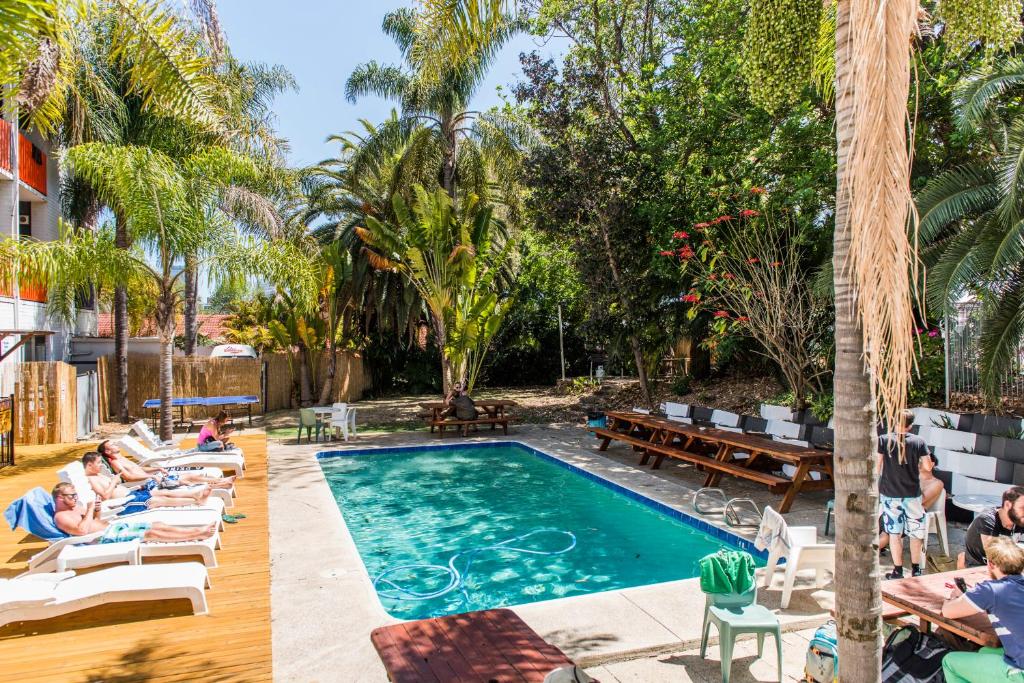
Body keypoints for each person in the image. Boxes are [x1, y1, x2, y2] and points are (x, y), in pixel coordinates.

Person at [941, 537, 1024, 682]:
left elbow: (948, 611)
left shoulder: (991, 591)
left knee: (949, 662)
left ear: (991, 564)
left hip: (1020, 672)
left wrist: (953, 598)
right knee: (985, 651)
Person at [52, 482, 217, 543]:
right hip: (104, 538)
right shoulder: (61, 517)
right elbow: (81, 531)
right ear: (59, 498)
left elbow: (94, 521)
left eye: (75, 495)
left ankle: (196, 530)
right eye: (71, 496)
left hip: (113, 527)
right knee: (151, 533)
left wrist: (96, 511)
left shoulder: (75, 508)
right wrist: (89, 511)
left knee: (157, 524)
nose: (75, 498)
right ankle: (197, 534)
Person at [878, 409, 930, 578]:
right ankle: (916, 569)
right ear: (911, 425)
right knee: (915, 532)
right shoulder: (919, 441)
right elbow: (928, 467)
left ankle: (897, 570)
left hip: (890, 492)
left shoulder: (884, 440)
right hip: (912, 494)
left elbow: (878, 466)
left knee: (894, 533)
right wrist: (917, 466)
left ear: (894, 422)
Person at [82, 452, 214, 511]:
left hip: (131, 494)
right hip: (125, 503)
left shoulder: (98, 475)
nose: (100, 466)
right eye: (98, 463)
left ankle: (195, 495)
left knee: (162, 493)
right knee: (158, 501)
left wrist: (133, 487)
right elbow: (104, 497)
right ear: (89, 465)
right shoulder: (90, 480)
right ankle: (195, 501)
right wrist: (114, 481)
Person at [97, 439, 235, 490]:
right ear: (108, 451)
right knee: (188, 479)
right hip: (150, 482)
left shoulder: (120, 457)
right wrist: (150, 477)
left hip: (153, 476)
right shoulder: (115, 462)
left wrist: (156, 468)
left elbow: (138, 468)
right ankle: (219, 483)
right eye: (112, 445)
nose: (115, 444)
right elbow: (128, 478)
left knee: (190, 476)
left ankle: (220, 481)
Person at [879, 451, 945, 553]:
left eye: (921, 461)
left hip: (913, 515)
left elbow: (921, 500)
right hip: (896, 508)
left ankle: (864, 553)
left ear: (931, 464)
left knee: (886, 534)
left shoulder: (936, 483)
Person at [959, 486, 1024, 569]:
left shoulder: (1019, 518)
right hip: (978, 567)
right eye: (1022, 507)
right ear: (1008, 504)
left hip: (1002, 568)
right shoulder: (987, 520)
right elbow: (996, 557)